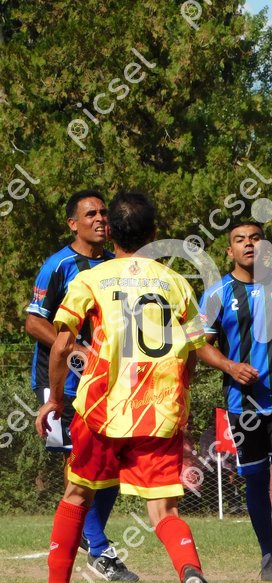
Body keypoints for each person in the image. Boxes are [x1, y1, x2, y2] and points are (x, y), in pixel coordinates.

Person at [35, 191, 208, 583]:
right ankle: (191, 572)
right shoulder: (176, 283)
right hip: (158, 412)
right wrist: (181, 395)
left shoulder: (90, 279)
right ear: (155, 234)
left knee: (76, 496)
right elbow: (193, 349)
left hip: (101, 411)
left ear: (110, 231)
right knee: (165, 511)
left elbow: (61, 346)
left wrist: (55, 400)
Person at [25, 189, 139, 582]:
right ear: (73, 223)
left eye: (104, 213)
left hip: (106, 383)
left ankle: (91, 539)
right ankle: (100, 548)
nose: (101, 219)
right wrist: (74, 348)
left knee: (111, 465)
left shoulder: (114, 264)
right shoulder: (58, 265)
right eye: (91, 214)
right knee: (77, 462)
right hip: (62, 383)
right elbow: (34, 321)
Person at [198, 222, 272, 581]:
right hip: (241, 404)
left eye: (255, 239)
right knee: (256, 480)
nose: (248, 245)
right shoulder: (217, 293)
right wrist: (231, 366)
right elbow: (200, 345)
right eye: (240, 240)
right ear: (229, 251)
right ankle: (268, 554)